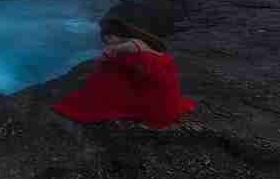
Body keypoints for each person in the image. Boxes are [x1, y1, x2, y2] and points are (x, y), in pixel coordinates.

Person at [51, 18, 195, 129]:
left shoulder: (130, 44)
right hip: (160, 87)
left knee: (106, 70)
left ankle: (91, 99)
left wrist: (107, 55)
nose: (107, 43)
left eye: (107, 40)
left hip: (156, 90)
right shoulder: (138, 42)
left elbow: (106, 54)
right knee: (112, 68)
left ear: (114, 35)